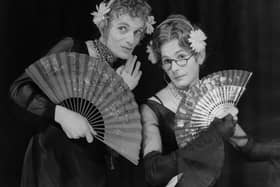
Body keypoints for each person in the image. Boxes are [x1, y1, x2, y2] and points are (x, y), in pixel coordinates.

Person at [9, 0, 155, 186]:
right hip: (52, 162)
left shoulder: (122, 74)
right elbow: (19, 89)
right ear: (104, 25)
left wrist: (120, 92)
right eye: (123, 28)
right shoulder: (72, 48)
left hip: (89, 171)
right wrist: (61, 114)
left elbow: (110, 141)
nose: (131, 40)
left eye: (137, 32)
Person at [142, 14, 280, 187]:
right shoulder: (152, 109)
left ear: (199, 55)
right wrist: (213, 135)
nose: (175, 68)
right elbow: (154, 173)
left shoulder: (214, 99)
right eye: (167, 61)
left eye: (181, 57)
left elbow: (251, 150)